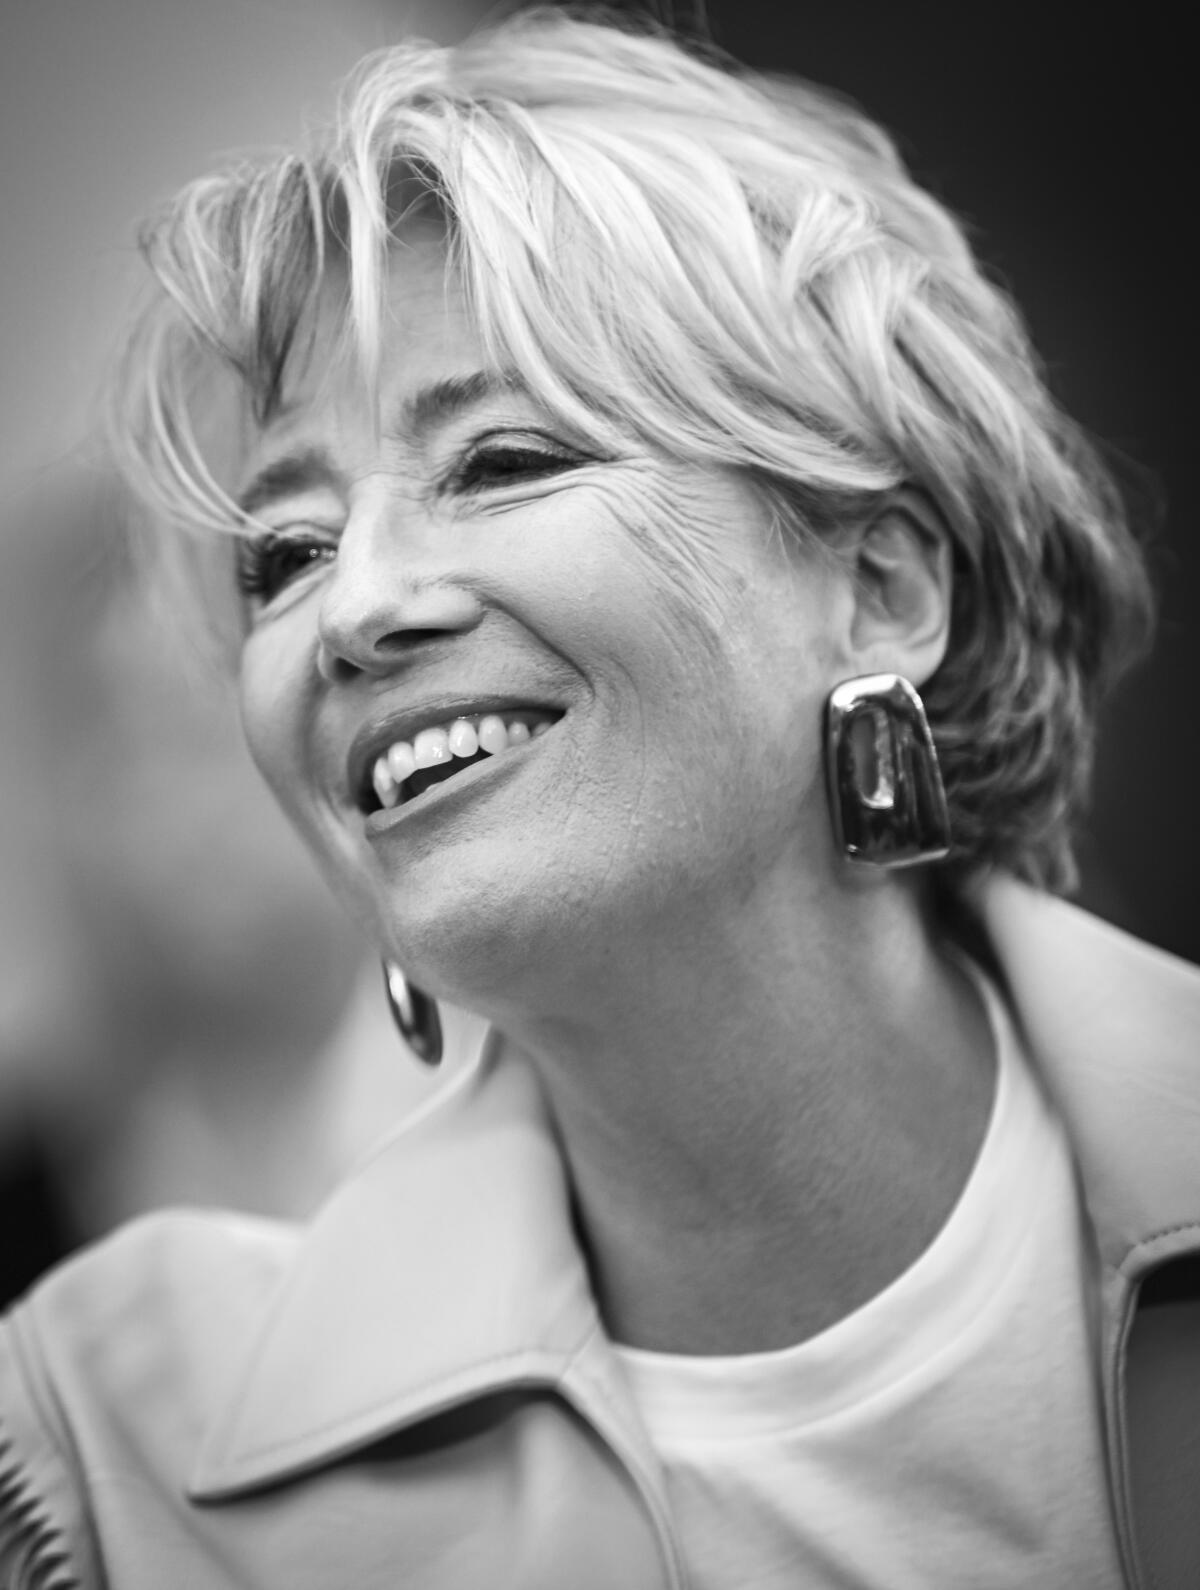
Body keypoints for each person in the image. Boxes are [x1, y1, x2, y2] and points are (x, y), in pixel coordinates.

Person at [1, 7, 1196, 1586]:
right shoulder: (110, 1436)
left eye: (497, 461)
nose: (353, 607)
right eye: (284, 552)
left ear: (884, 584)